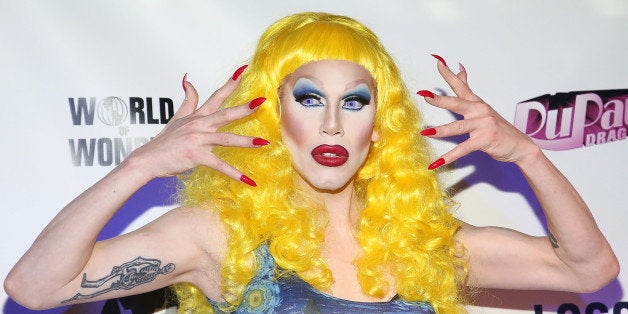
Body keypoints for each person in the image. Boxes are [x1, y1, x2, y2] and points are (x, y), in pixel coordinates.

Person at [4, 12, 619, 314]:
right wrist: (137, 167)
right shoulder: (223, 237)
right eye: (308, 99)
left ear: (380, 126)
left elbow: (589, 271)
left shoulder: (420, 242)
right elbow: (34, 287)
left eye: (355, 102)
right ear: (273, 116)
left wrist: (529, 154)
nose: (331, 123)